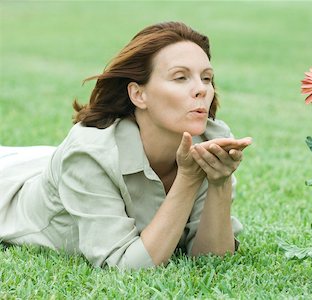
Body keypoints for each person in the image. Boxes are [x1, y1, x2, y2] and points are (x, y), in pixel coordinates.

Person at [0, 21, 252, 269]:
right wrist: (188, 178)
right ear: (138, 94)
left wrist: (219, 183)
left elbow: (212, 260)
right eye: (180, 77)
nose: (201, 89)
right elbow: (127, 266)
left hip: (44, 161)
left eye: (206, 78)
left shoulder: (210, 141)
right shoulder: (90, 155)